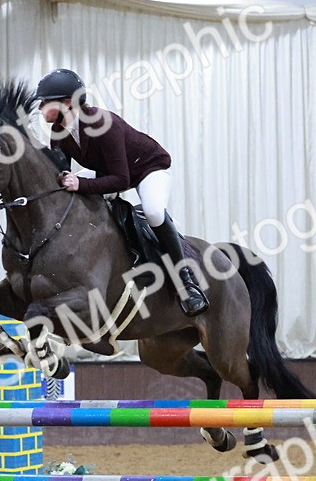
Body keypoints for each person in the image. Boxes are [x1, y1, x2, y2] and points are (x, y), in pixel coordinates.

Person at [33, 68, 208, 316]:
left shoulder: (105, 124)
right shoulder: (58, 132)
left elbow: (121, 179)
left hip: (148, 168)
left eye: (44, 102)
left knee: (154, 211)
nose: (40, 108)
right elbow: (64, 175)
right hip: (110, 172)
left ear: (66, 103)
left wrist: (80, 185)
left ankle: (185, 280)